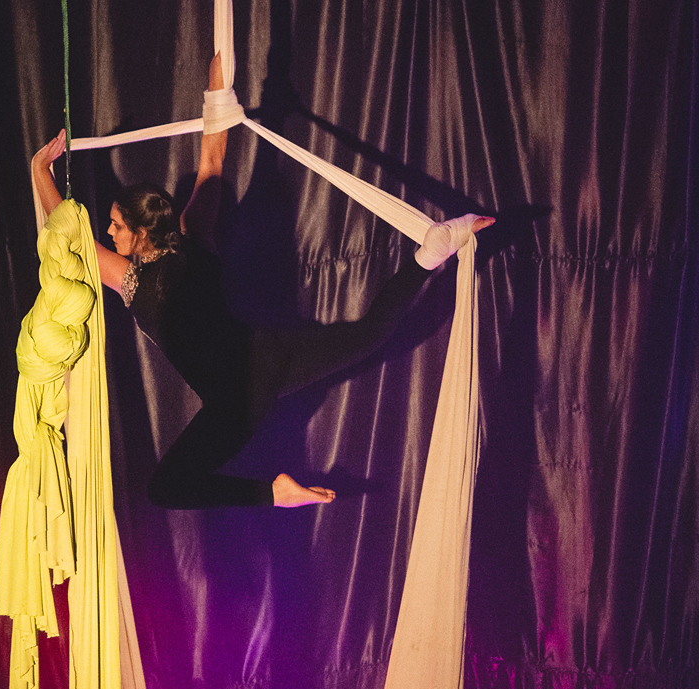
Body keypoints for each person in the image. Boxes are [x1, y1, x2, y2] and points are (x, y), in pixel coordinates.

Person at [31, 55, 494, 509]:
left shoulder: (133, 280)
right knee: (371, 333)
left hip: (237, 398)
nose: (109, 232)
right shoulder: (195, 236)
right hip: (274, 356)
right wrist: (218, 78)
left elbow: (68, 234)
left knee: (166, 489)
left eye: (116, 225)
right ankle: (432, 252)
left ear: (141, 231)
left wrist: (39, 171)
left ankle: (274, 493)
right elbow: (213, 160)